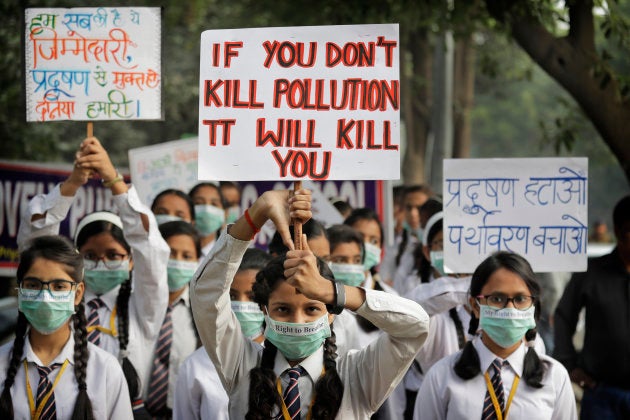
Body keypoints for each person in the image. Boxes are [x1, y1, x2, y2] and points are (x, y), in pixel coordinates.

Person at [189, 188, 430, 419]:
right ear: (265, 311)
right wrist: (258, 213)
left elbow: (416, 325)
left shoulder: (356, 374)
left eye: (312, 308)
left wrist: (330, 291)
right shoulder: (243, 366)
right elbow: (205, 294)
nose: (298, 321)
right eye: (283, 309)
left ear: (331, 314)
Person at [17, 136, 170, 415]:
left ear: (131, 260)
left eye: (113, 256)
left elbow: (151, 248)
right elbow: (34, 252)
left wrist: (114, 179)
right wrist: (72, 184)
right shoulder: (57, 303)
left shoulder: (143, 308)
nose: (102, 262)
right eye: (89, 256)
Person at [415, 251, 576, 420]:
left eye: (520, 299)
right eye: (497, 299)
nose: (510, 310)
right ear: (475, 307)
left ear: (533, 305)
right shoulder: (441, 376)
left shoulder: (554, 377)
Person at [0, 235, 132, 419]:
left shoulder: (105, 370)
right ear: (20, 291)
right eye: (33, 285)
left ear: (77, 294)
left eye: (59, 286)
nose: (45, 297)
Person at [554, 195, 630, 419]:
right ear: (618, 231)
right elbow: (563, 316)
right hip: (601, 394)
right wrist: (568, 364)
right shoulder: (591, 272)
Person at [173, 248, 271, 420]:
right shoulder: (195, 365)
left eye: (252, 297)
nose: (241, 305)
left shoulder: (283, 360)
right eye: (232, 296)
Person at [145, 221, 201, 418]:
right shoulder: (135, 302)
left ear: (198, 261)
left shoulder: (202, 311)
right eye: (170, 254)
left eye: (187, 256)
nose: (177, 261)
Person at [380, 184, 433, 293]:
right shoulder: (396, 243)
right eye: (409, 208)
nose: (413, 213)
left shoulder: (437, 246)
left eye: (419, 208)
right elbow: (385, 277)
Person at [188, 183, 225, 257]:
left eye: (214, 204)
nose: (207, 209)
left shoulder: (228, 255)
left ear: (224, 212)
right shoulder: (174, 250)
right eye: (198, 203)